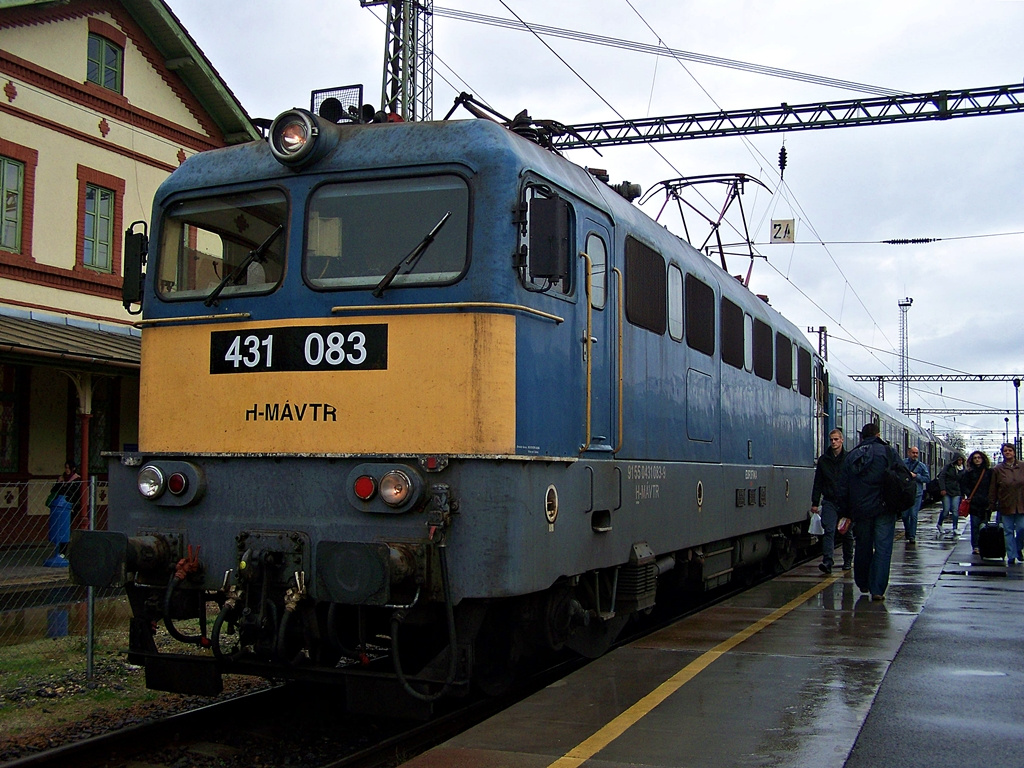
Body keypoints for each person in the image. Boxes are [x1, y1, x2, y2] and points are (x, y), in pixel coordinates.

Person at [838, 422, 899, 601]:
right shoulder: (889, 452)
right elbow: (901, 480)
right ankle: (878, 589)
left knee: (863, 546)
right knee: (883, 548)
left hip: (861, 510)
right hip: (885, 508)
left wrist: (845, 511)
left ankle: (863, 582)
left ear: (861, 436)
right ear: (878, 435)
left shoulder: (851, 457)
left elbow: (842, 487)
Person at [811, 428, 853, 573]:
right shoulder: (824, 460)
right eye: (831, 440)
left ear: (841, 440)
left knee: (846, 531)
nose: (833, 442)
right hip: (829, 501)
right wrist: (815, 502)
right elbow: (818, 482)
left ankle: (848, 560)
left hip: (845, 502)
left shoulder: (849, 459)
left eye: (836, 439)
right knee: (829, 530)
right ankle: (827, 562)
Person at [989, 443, 1024, 564]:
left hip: (1021, 503)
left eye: (1009, 450)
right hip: (1005, 503)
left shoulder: (1022, 466)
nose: (1007, 452)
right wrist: (992, 503)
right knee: (1008, 531)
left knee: (1022, 528)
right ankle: (1011, 555)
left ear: (1014, 452)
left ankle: (1018, 548)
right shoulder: (998, 469)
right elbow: (993, 488)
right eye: (1005, 451)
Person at [960, 450, 992, 555]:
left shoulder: (989, 472)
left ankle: (984, 544)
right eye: (975, 458)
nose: (977, 459)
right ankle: (976, 546)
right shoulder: (969, 473)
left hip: (986, 503)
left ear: (983, 459)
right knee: (975, 525)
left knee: (985, 525)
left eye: (979, 458)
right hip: (974, 503)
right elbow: (964, 486)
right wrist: (970, 496)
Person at [901, 446, 929, 546]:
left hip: (917, 493)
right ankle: (908, 532)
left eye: (916, 453)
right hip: (905, 493)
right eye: (913, 453)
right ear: (909, 453)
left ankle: (912, 536)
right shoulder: (903, 464)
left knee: (913, 515)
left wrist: (916, 476)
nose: (915, 455)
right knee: (904, 515)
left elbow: (927, 478)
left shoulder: (921, 466)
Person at [936, 454, 965, 535]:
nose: (960, 462)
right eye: (959, 460)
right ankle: (939, 524)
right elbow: (941, 477)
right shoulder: (948, 467)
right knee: (946, 510)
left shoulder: (963, 469)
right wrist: (942, 488)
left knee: (955, 510)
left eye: (961, 460)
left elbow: (963, 481)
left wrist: (963, 493)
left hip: (957, 491)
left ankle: (955, 527)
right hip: (947, 491)